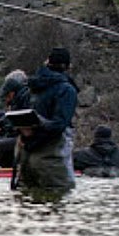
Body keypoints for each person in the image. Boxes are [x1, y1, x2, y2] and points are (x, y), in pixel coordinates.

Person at [14, 47, 79, 192]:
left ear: (47, 62)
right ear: (67, 67)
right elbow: (59, 124)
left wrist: (27, 132)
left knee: (27, 205)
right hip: (51, 160)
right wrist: (41, 125)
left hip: (25, 157)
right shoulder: (67, 90)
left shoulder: (26, 89)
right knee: (61, 200)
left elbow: (13, 118)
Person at [0, 69, 32, 168]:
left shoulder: (25, 98)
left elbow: (20, 120)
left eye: (8, 95)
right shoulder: (19, 99)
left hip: (28, 137)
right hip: (22, 134)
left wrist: (5, 126)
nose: (7, 98)